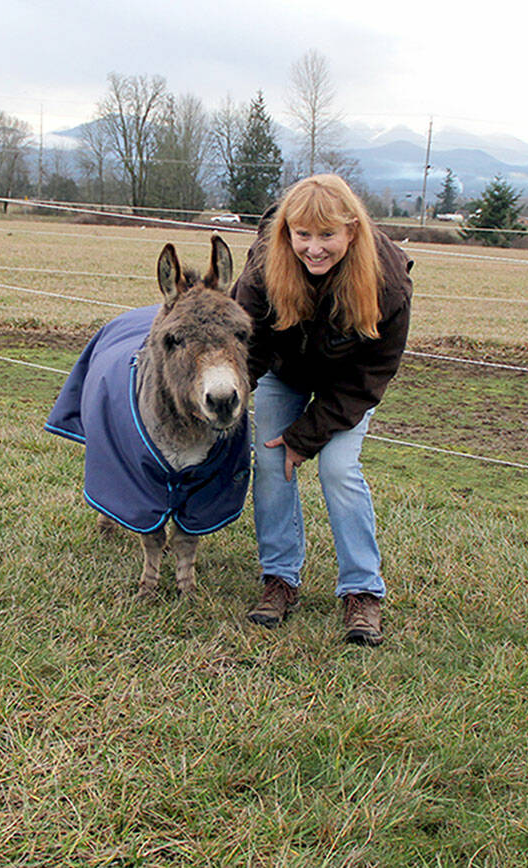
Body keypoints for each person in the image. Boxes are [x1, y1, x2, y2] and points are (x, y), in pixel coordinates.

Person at [231, 174, 413, 646]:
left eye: (327, 235)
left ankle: (362, 591)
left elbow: (372, 374)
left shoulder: (387, 281)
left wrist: (306, 435)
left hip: (347, 384)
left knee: (338, 469)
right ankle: (279, 578)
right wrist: (227, 406)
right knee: (270, 462)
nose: (313, 248)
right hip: (283, 372)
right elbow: (247, 350)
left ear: (352, 230)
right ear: (287, 231)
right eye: (303, 235)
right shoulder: (262, 270)